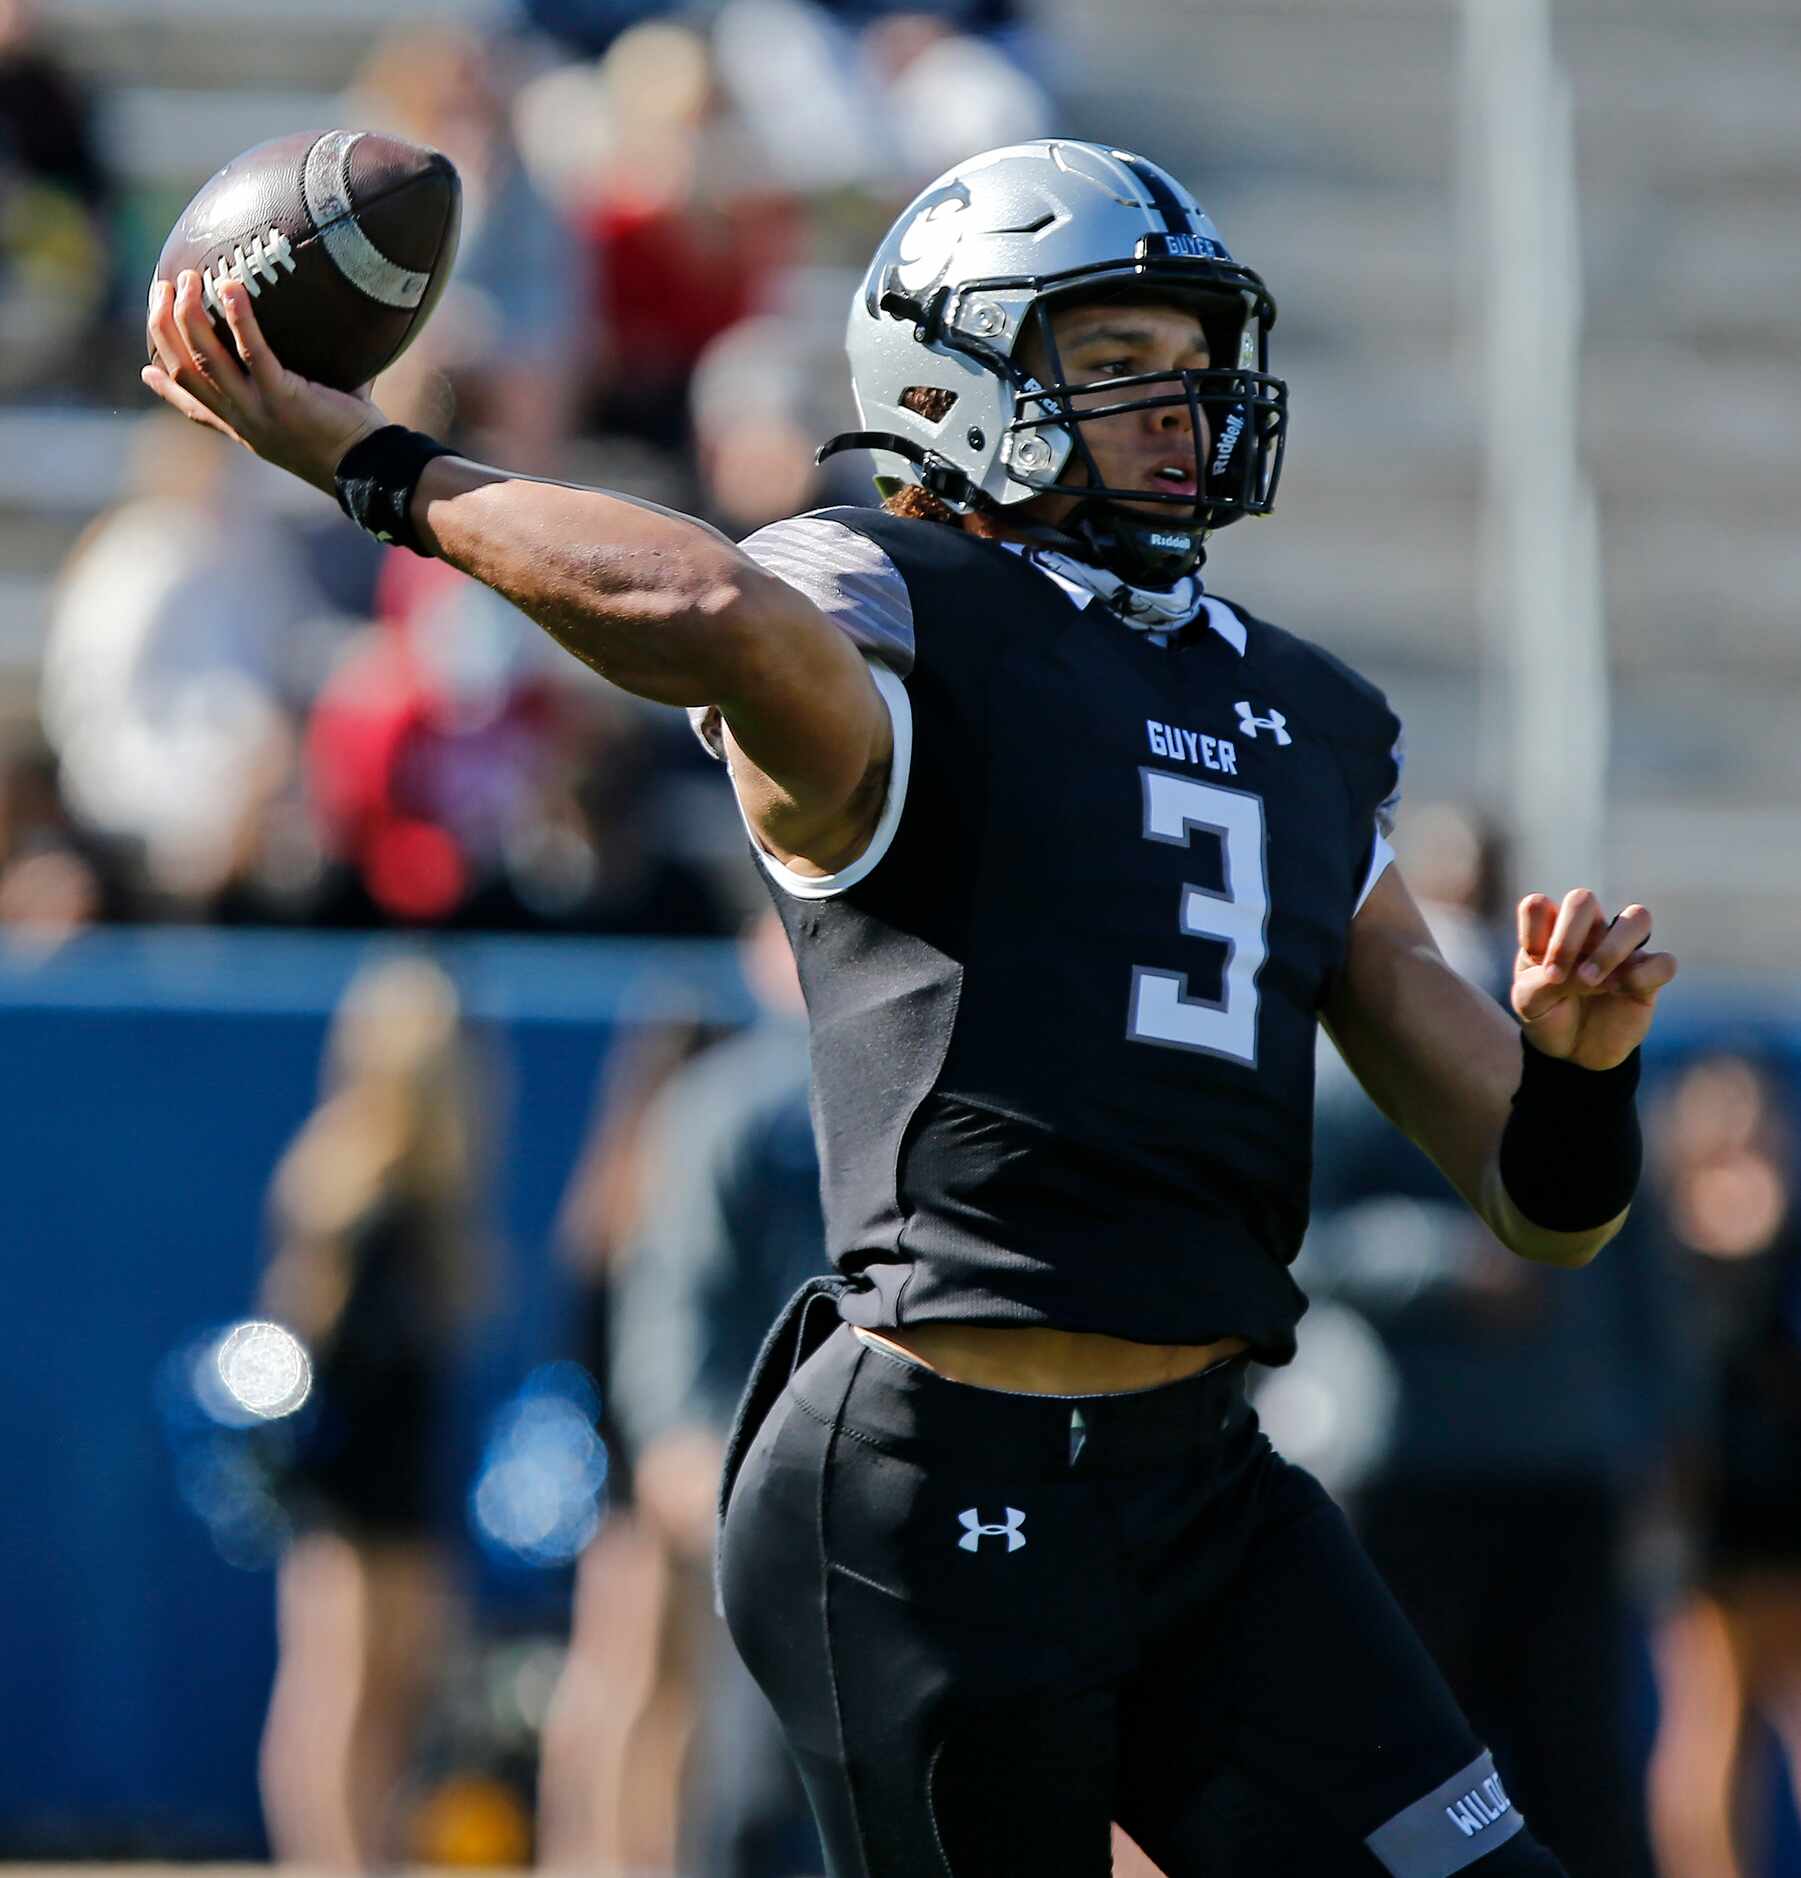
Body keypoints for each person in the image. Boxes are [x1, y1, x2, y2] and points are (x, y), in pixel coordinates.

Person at [143, 137, 1677, 1875]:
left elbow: (1548, 1203)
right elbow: (704, 601)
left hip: (1205, 1486)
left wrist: (1579, 1069)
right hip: (937, 1481)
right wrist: (376, 463)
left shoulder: (1303, 717)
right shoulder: (892, 599)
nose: (1178, 406)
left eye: (1193, 360)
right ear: (953, 379)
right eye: (1112, 362)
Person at [254, 956, 488, 1868]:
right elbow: (315, 1359)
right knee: (337, 1688)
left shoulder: (429, 1200)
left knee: (389, 1692)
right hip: (348, 1487)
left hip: (402, 1477)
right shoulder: (346, 1187)